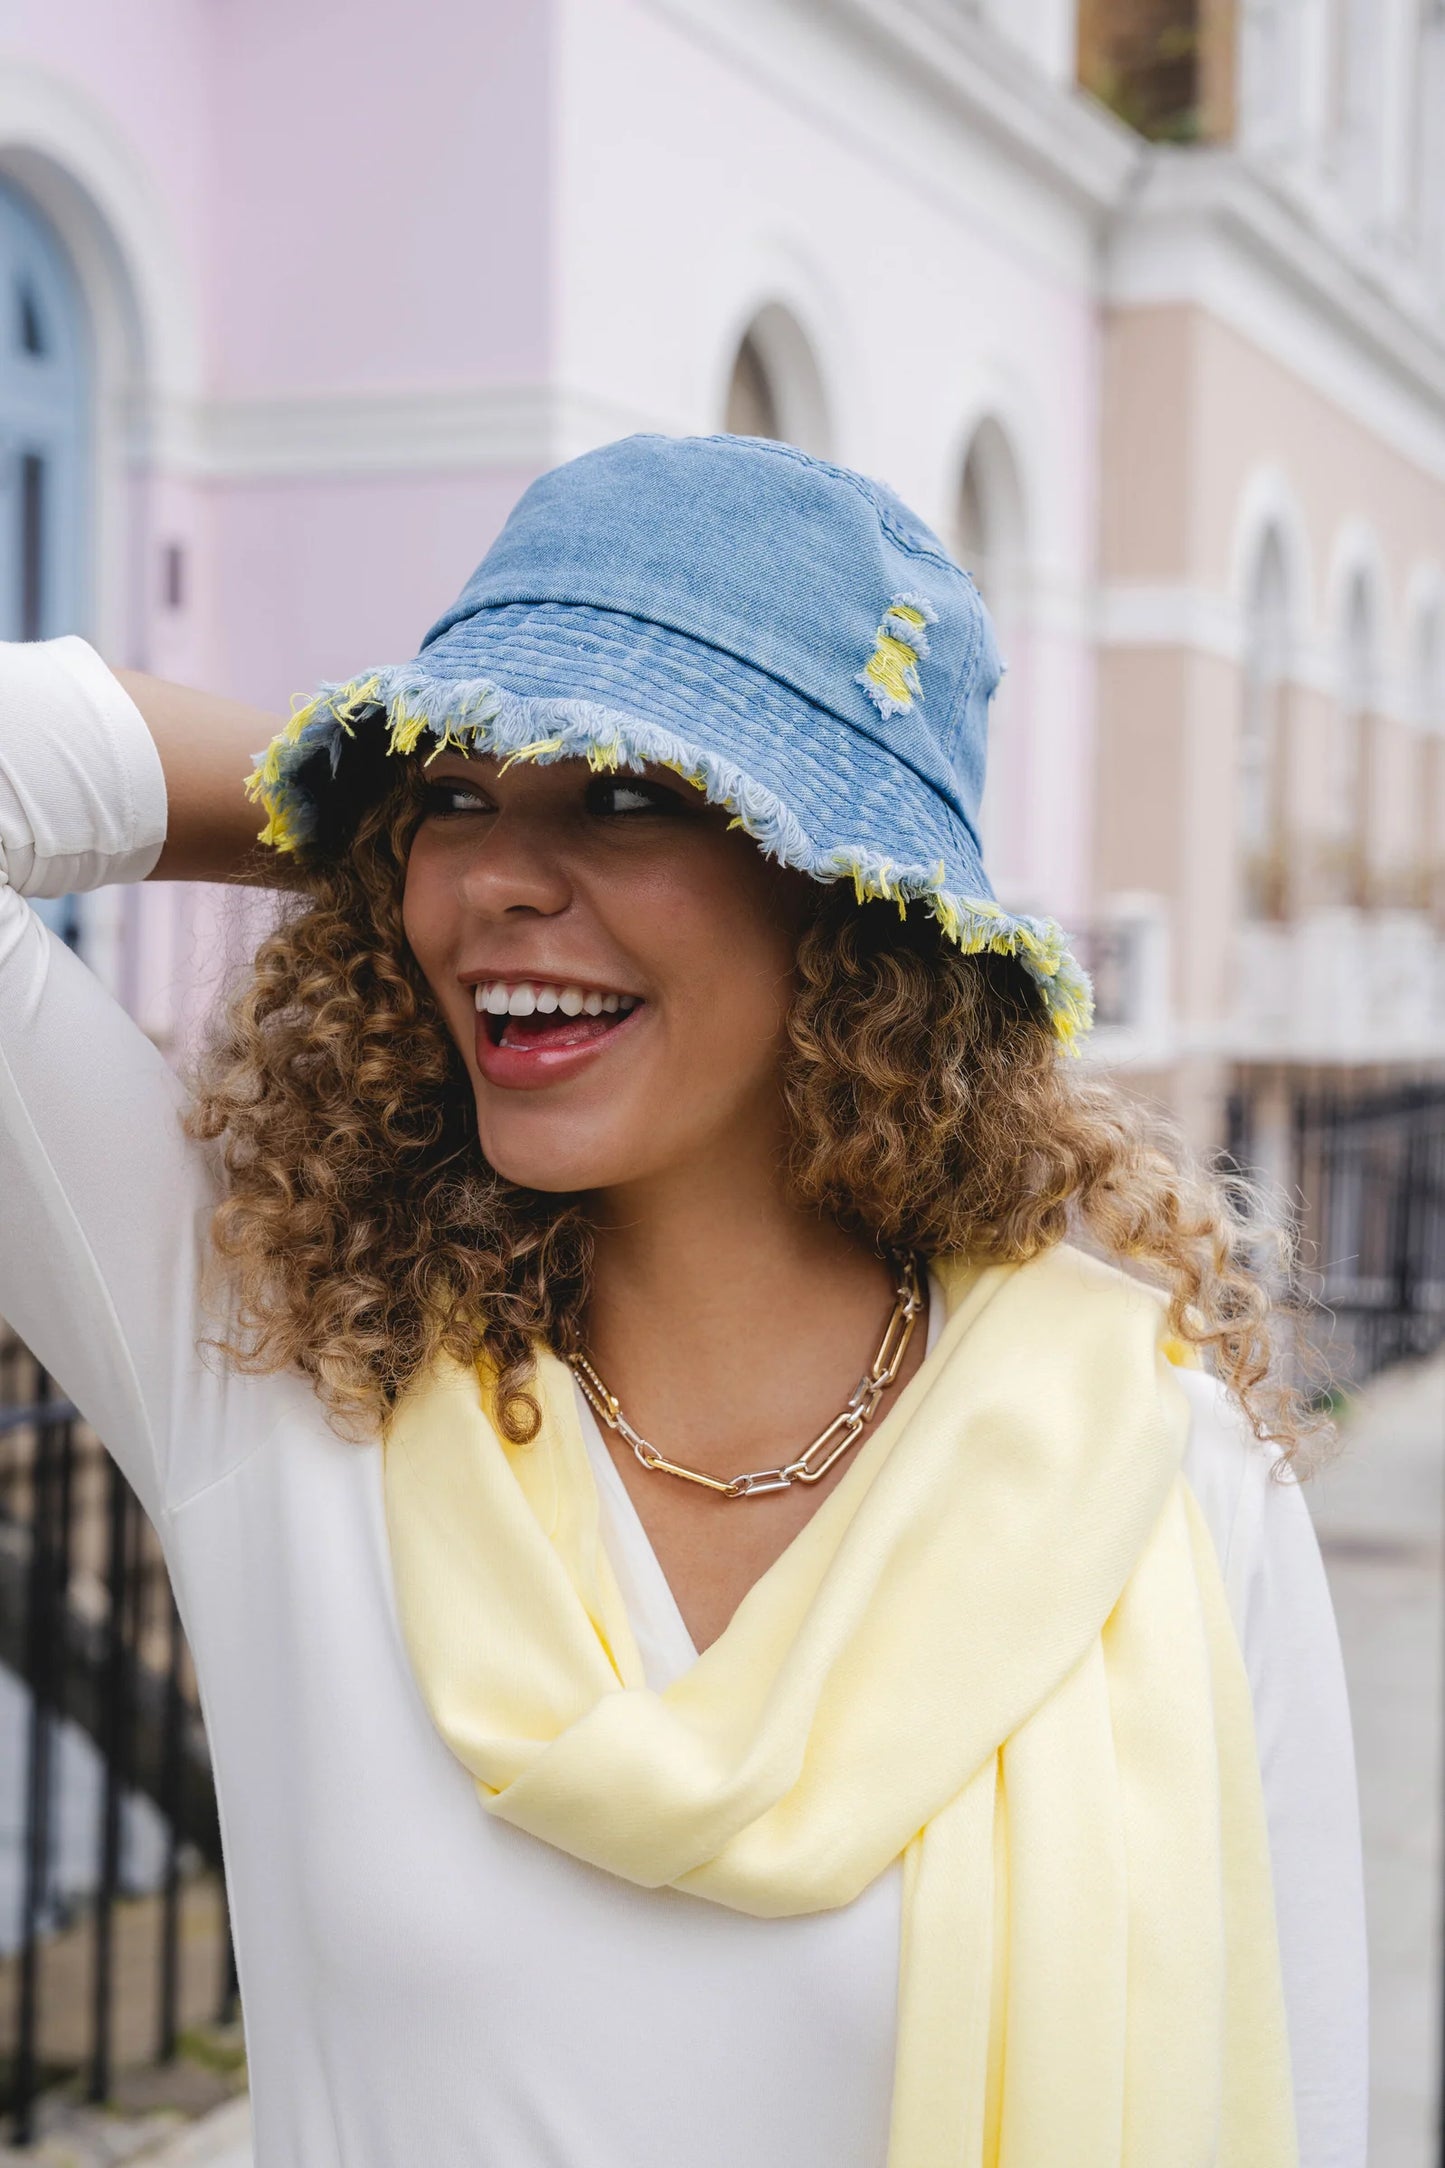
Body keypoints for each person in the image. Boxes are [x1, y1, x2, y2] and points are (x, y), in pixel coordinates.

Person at [0, 432, 1366, 2167]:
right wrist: (340, 818)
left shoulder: (1161, 1469)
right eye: (455, 794)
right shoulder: (281, 1364)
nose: (494, 874)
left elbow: (1301, 2105)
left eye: (630, 795)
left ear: (851, 906)